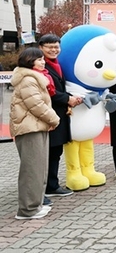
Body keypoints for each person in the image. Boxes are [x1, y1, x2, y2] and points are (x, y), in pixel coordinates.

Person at [10, 47, 60, 220]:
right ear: (29, 61)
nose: (43, 62)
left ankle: (36, 204)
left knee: (39, 168)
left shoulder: (34, 78)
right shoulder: (28, 79)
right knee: (32, 169)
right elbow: (36, 105)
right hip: (29, 128)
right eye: (39, 59)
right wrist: (54, 119)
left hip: (37, 126)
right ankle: (27, 209)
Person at [38, 34, 78, 200]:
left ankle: (52, 185)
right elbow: (47, 92)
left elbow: (59, 88)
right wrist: (67, 99)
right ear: (41, 48)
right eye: (49, 47)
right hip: (47, 116)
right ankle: (45, 187)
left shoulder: (57, 64)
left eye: (56, 47)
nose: (53, 50)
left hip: (59, 114)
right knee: (47, 153)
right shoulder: (40, 66)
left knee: (56, 151)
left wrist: (72, 97)